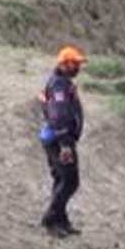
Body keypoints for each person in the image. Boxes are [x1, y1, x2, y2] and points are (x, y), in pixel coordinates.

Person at [39, 46, 87, 238]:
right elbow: (58, 116)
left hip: (56, 138)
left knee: (61, 179)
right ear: (64, 64)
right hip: (59, 139)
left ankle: (61, 220)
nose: (78, 67)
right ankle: (50, 220)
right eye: (75, 63)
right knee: (70, 181)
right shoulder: (59, 85)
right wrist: (65, 144)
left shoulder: (62, 83)